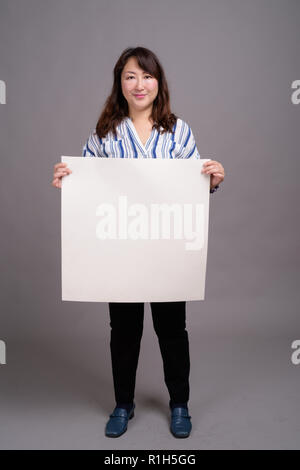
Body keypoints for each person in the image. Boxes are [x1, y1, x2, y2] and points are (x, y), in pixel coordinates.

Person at [52, 46, 225, 438]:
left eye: (147, 76)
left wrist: (211, 179)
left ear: (158, 82)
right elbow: (88, 187)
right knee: (124, 330)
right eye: (130, 76)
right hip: (122, 249)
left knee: (172, 329)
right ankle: (123, 403)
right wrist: (68, 176)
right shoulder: (105, 133)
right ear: (120, 83)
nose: (139, 84)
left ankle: (179, 403)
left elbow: (193, 187)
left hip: (166, 248)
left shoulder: (178, 131)